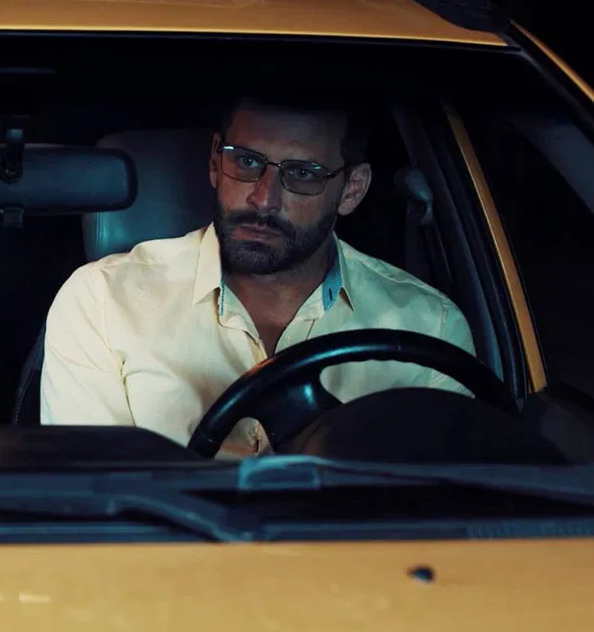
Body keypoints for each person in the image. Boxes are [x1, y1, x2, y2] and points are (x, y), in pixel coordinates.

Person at [39, 91, 477, 458]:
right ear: (215, 163)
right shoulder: (102, 302)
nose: (264, 199)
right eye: (247, 162)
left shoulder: (429, 327)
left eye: (302, 174)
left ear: (352, 190)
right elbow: (93, 507)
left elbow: (447, 510)